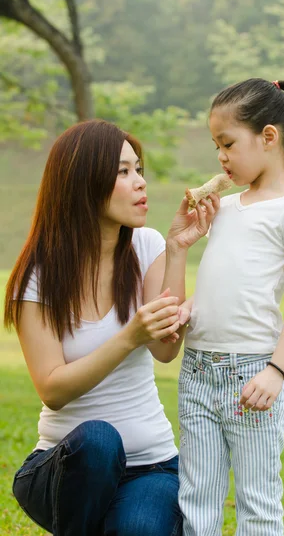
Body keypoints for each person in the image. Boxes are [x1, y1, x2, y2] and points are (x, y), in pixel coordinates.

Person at [3, 119, 219, 536]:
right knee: (100, 441)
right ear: (82, 183)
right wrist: (127, 337)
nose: (140, 183)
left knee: (138, 528)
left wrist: (176, 250)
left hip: (151, 467)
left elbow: (165, 349)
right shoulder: (39, 274)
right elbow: (53, 389)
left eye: (139, 169)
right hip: (65, 469)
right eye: (123, 172)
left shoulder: (148, 246)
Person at [177, 78, 284, 536]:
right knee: (196, 496)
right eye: (215, 145)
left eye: (228, 143)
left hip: (253, 377)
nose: (220, 157)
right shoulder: (223, 207)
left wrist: (276, 371)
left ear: (268, 137)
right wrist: (190, 306)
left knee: (257, 503)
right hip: (197, 370)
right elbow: (229, 280)